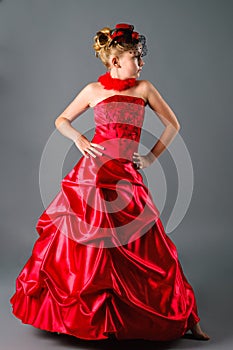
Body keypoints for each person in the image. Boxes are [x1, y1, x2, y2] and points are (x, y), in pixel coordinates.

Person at [10, 23, 210, 342]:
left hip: (126, 178)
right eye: (135, 57)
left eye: (140, 58)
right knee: (85, 252)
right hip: (92, 175)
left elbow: (173, 124)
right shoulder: (92, 91)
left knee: (155, 248)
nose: (141, 64)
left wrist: (150, 158)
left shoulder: (144, 89)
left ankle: (185, 318)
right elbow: (61, 120)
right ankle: (87, 321)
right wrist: (78, 139)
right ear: (115, 60)